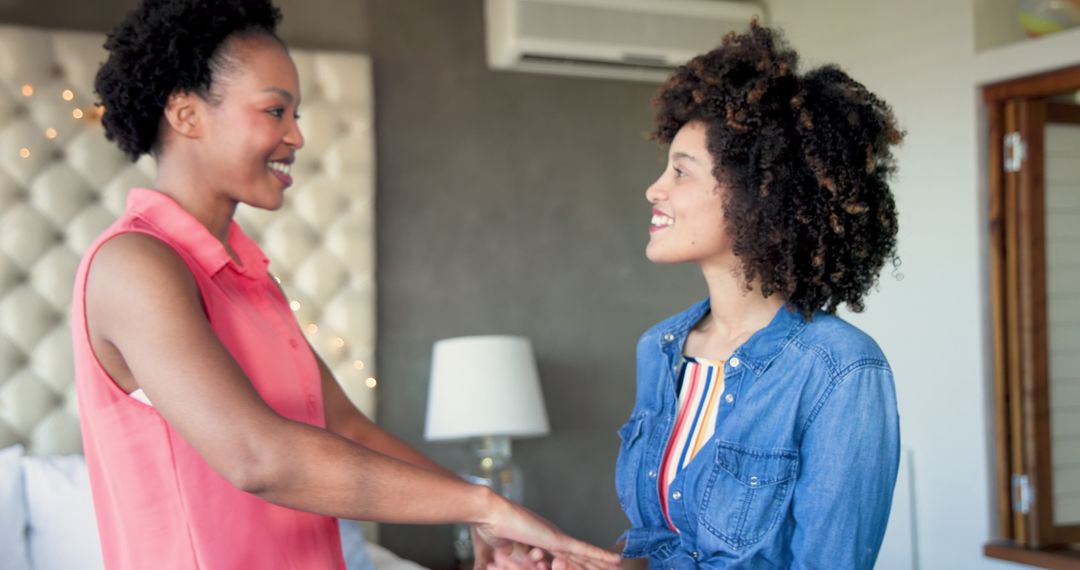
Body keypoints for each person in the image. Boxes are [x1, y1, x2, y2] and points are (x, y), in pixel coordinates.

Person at [72, 1, 621, 568]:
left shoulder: (249, 276)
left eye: (296, 115)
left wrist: (480, 514)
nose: (296, 137)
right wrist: (479, 503)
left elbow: (345, 427)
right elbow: (257, 458)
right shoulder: (134, 264)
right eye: (275, 110)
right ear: (186, 115)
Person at [614, 22, 903, 568]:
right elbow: (658, 544)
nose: (655, 189)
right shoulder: (660, 348)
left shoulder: (840, 369)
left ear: (757, 194)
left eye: (681, 171)